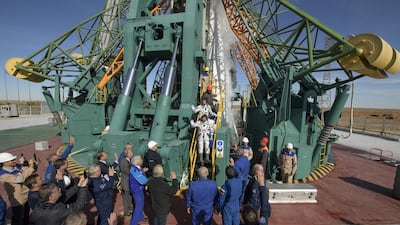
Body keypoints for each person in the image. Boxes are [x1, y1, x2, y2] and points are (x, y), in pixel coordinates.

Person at [0, 152, 35, 225]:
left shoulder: (16, 167)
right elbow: (20, 179)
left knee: (26, 214)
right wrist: (30, 167)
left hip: (25, 194)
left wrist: (26, 165)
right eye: (12, 160)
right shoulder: (3, 175)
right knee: (18, 217)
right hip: (18, 199)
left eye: (14, 159)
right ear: (4, 163)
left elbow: (26, 173)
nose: (14, 161)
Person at [129, 155, 149, 225]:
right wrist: (151, 181)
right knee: (138, 206)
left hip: (140, 189)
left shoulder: (137, 168)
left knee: (141, 204)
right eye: (140, 159)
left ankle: (141, 217)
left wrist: (143, 171)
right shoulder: (134, 170)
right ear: (137, 161)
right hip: (137, 190)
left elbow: (140, 173)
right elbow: (142, 180)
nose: (142, 160)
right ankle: (133, 223)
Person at [120, 144, 133, 216]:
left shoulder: (127, 161)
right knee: (126, 198)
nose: (132, 154)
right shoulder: (125, 162)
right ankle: (126, 212)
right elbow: (127, 172)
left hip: (127, 182)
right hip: (126, 182)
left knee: (128, 197)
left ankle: (129, 209)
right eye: (130, 153)